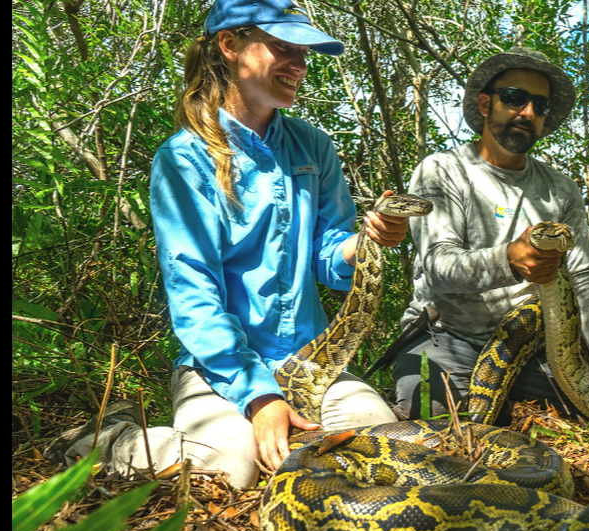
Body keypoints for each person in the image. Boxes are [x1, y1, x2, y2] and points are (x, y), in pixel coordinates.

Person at [65, 0, 410, 489]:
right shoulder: (184, 160)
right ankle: (106, 437)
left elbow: (329, 257)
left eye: (304, 53)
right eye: (282, 48)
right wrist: (261, 398)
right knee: (231, 467)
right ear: (229, 46)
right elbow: (194, 298)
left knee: (387, 449)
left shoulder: (314, 146)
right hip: (220, 370)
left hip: (312, 360)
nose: (299, 64)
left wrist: (365, 242)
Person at [389, 46, 589, 423]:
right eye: (515, 98)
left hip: (535, 343)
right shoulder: (443, 170)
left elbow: (585, 275)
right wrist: (509, 260)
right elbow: (437, 266)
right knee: (428, 418)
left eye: (540, 105)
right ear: (485, 104)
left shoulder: (560, 189)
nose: (528, 112)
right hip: (447, 336)